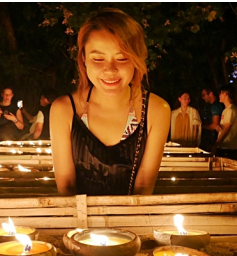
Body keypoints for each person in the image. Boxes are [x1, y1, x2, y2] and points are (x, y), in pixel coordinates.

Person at [50, 8, 170, 196]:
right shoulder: (64, 110)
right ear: (83, 59)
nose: (110, 70)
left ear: (137, 59)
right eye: (98, 58)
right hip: (78, 222)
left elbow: (144, 187)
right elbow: (66, 188)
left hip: (133, 221)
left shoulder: (156, 110)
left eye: (122, 58)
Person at [216, 86, 237, 156]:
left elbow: (227, 128)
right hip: (224, 146)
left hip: (228, 147)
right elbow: (225, 127)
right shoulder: (226, 110)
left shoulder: (231, 110)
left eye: (221, 93)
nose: (219, 95)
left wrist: (217, 143)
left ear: (225, 94)